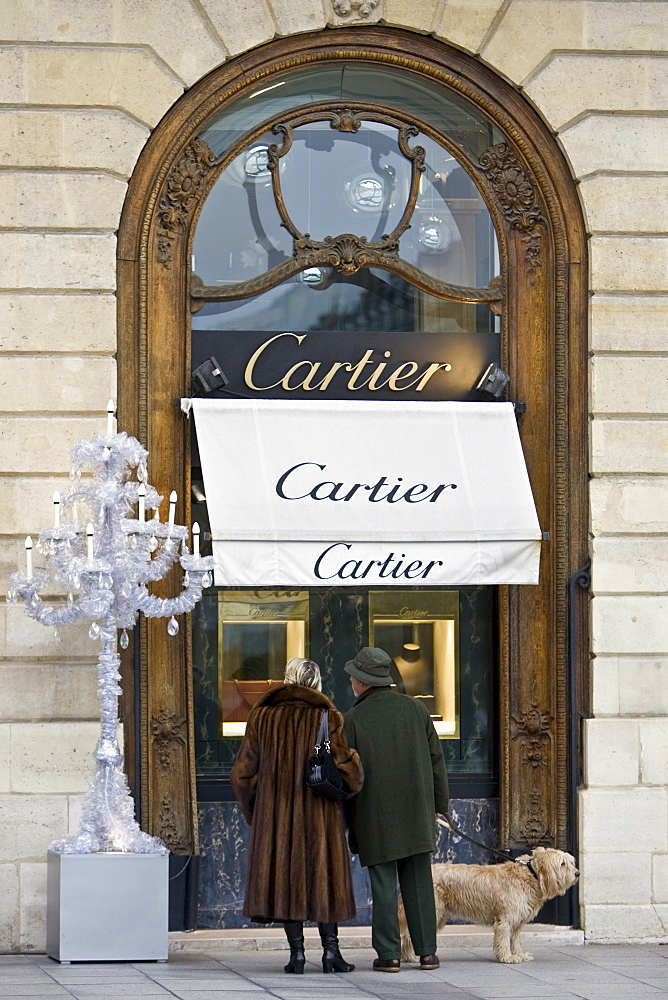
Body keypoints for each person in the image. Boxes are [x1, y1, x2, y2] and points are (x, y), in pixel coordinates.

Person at [231, 656, 364, 974]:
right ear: (316, 682)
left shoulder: (262, 716)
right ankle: (331, 953)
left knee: (286, 880)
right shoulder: (327, 716)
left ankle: (297, 956)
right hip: (320, 814)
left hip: (276, 817)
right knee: (325, 878)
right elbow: (348, 771)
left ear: (286, 679)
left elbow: (241, 775)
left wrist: (257, 813)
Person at [343, 646, 449, 973]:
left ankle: (389, 955)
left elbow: (349, 774)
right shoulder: (416, 710)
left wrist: (347, 821)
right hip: (418, 811)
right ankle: (427, 953)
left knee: (384, 888)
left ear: (362, 682)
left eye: (353, 676)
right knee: (418, 883)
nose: (350, 680)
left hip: (374, 816)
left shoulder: (352, 720)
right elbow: (436, 763)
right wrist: (438, 807)